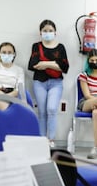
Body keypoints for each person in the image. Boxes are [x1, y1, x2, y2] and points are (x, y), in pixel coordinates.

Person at [28, 19, 69, 148]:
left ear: (55, 32)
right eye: (45, 30)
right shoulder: (36, 46)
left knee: (51, 109)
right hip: (39, 82)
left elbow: (65, 67)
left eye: (50, 30)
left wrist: (45, 64)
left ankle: (51, 139)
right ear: (40, 32)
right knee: (42, 111)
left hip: (56, 83)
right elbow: (33, 65)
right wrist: (54, 64)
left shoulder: (60, 47)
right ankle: (41, 140)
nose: (48, 32)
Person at [0, 42, 24, 110]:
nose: (7, 54)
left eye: (9, 52)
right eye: (4, 52)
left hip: (12, 96)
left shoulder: (19, 70)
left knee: (3, 102)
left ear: (14, 54)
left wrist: (7, 97)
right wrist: (1, 95)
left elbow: (19, 89)